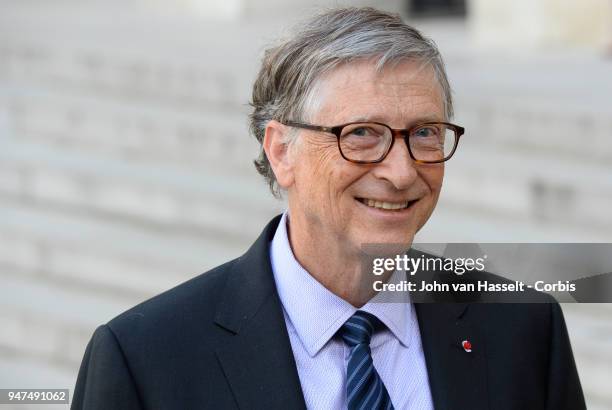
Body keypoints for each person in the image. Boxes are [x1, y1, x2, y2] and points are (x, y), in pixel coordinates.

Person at [72, 7, 585, 409]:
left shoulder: (523, 328)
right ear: (281, 152)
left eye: (424, 133)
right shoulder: (146, 358)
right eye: (361, 134)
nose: (402, 172)